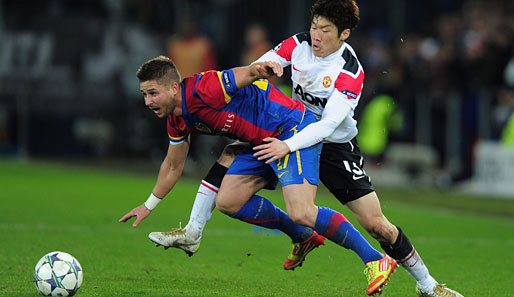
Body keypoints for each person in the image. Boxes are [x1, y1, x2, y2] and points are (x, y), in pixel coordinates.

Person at [148, 1, 464, 297]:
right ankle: (300, 236)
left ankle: (428, 285)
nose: (316, 35)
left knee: (377, 225)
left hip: (331, 147)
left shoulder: (350, 71)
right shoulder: (298, 44)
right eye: (314, 26)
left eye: (325, 30)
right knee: (230, 200)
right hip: (285, 131)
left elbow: (327, 126)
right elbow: (260, 64)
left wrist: (285, 145)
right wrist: (264, 70)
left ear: (344, 34)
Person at [119, 55, 397, 296]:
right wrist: (148, 205)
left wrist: (265, 66)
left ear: (172, 88)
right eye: (144, 94)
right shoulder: (177, 119)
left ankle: (375, 259)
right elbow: (171, 166)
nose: (147, 101)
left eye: (152, 93)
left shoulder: (204, 88)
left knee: (302, 210)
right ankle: (302, 236)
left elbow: (248, 73)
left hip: (291, 130)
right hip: (262, 142)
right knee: (228, 201)